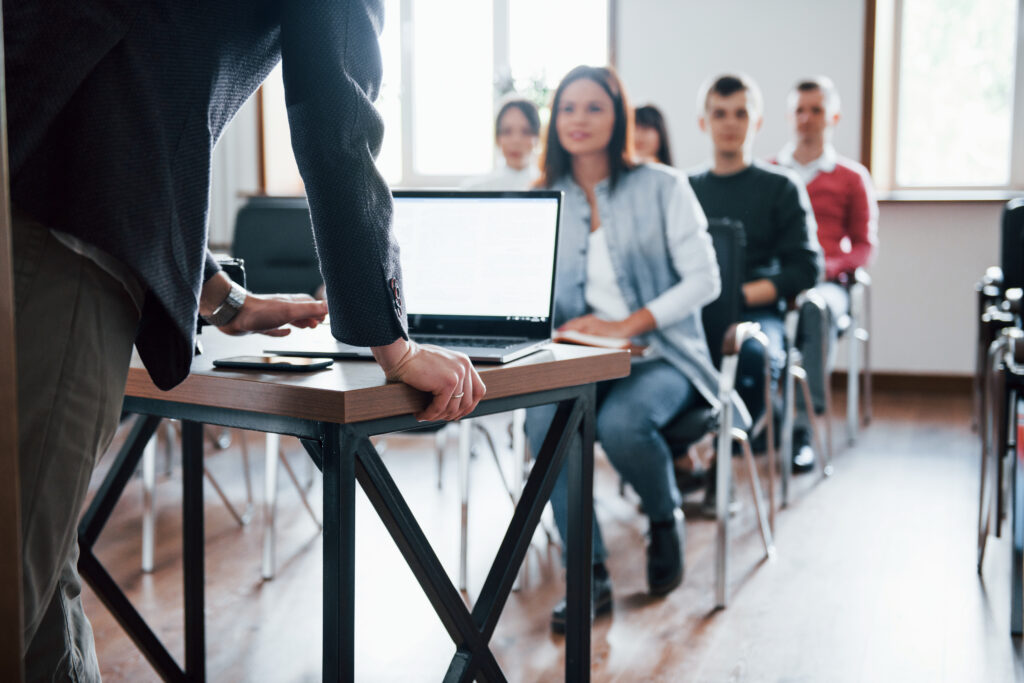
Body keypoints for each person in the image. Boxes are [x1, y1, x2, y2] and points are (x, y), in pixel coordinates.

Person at [6, 2, 484, 679]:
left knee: (40, 568)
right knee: (18, 572)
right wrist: (396, 348)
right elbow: (336, 112)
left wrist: (221, 298)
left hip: (46, 173)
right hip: (52, 205)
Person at [527, 65, 725, 633]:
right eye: (568, 108)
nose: (579, 119)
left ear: (619, 118)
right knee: (544, 426)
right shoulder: (542, 198)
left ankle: (664, 519)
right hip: (575, 357)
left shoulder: (664, 186)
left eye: (595, 107)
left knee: (622, 425)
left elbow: (705, 279)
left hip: (662, 354)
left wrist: (627, 325)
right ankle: (587, 573)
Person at [688, 73, 822, 469]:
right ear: (703, 122)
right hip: (694, 314)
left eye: (741, 114)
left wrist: (740, 295)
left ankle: (726, 452)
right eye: (720, 114)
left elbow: (805, 268)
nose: (730, 123)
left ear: (757, 122)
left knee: (751, 356)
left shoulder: (782, 187)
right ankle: (683, 457)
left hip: (756, 314)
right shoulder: (685, 188)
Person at [774, 77, 879, 466]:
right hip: (778, 282)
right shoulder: (770, 172)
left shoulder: (852, 177)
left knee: (814, 309)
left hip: (826, 285)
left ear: (833, 116)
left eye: (816, 110)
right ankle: (755, 418)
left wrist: (827, 267)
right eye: (800, 110)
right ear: (789, 116)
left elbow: (865, 245)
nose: (807, 118)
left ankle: (803, 424)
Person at [464, 97, 542, 190]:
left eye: (526, 131)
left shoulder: (549, 187)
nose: (516, 140)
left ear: (538, 137)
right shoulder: (475, 189)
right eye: (507, 131)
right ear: (497, 138)